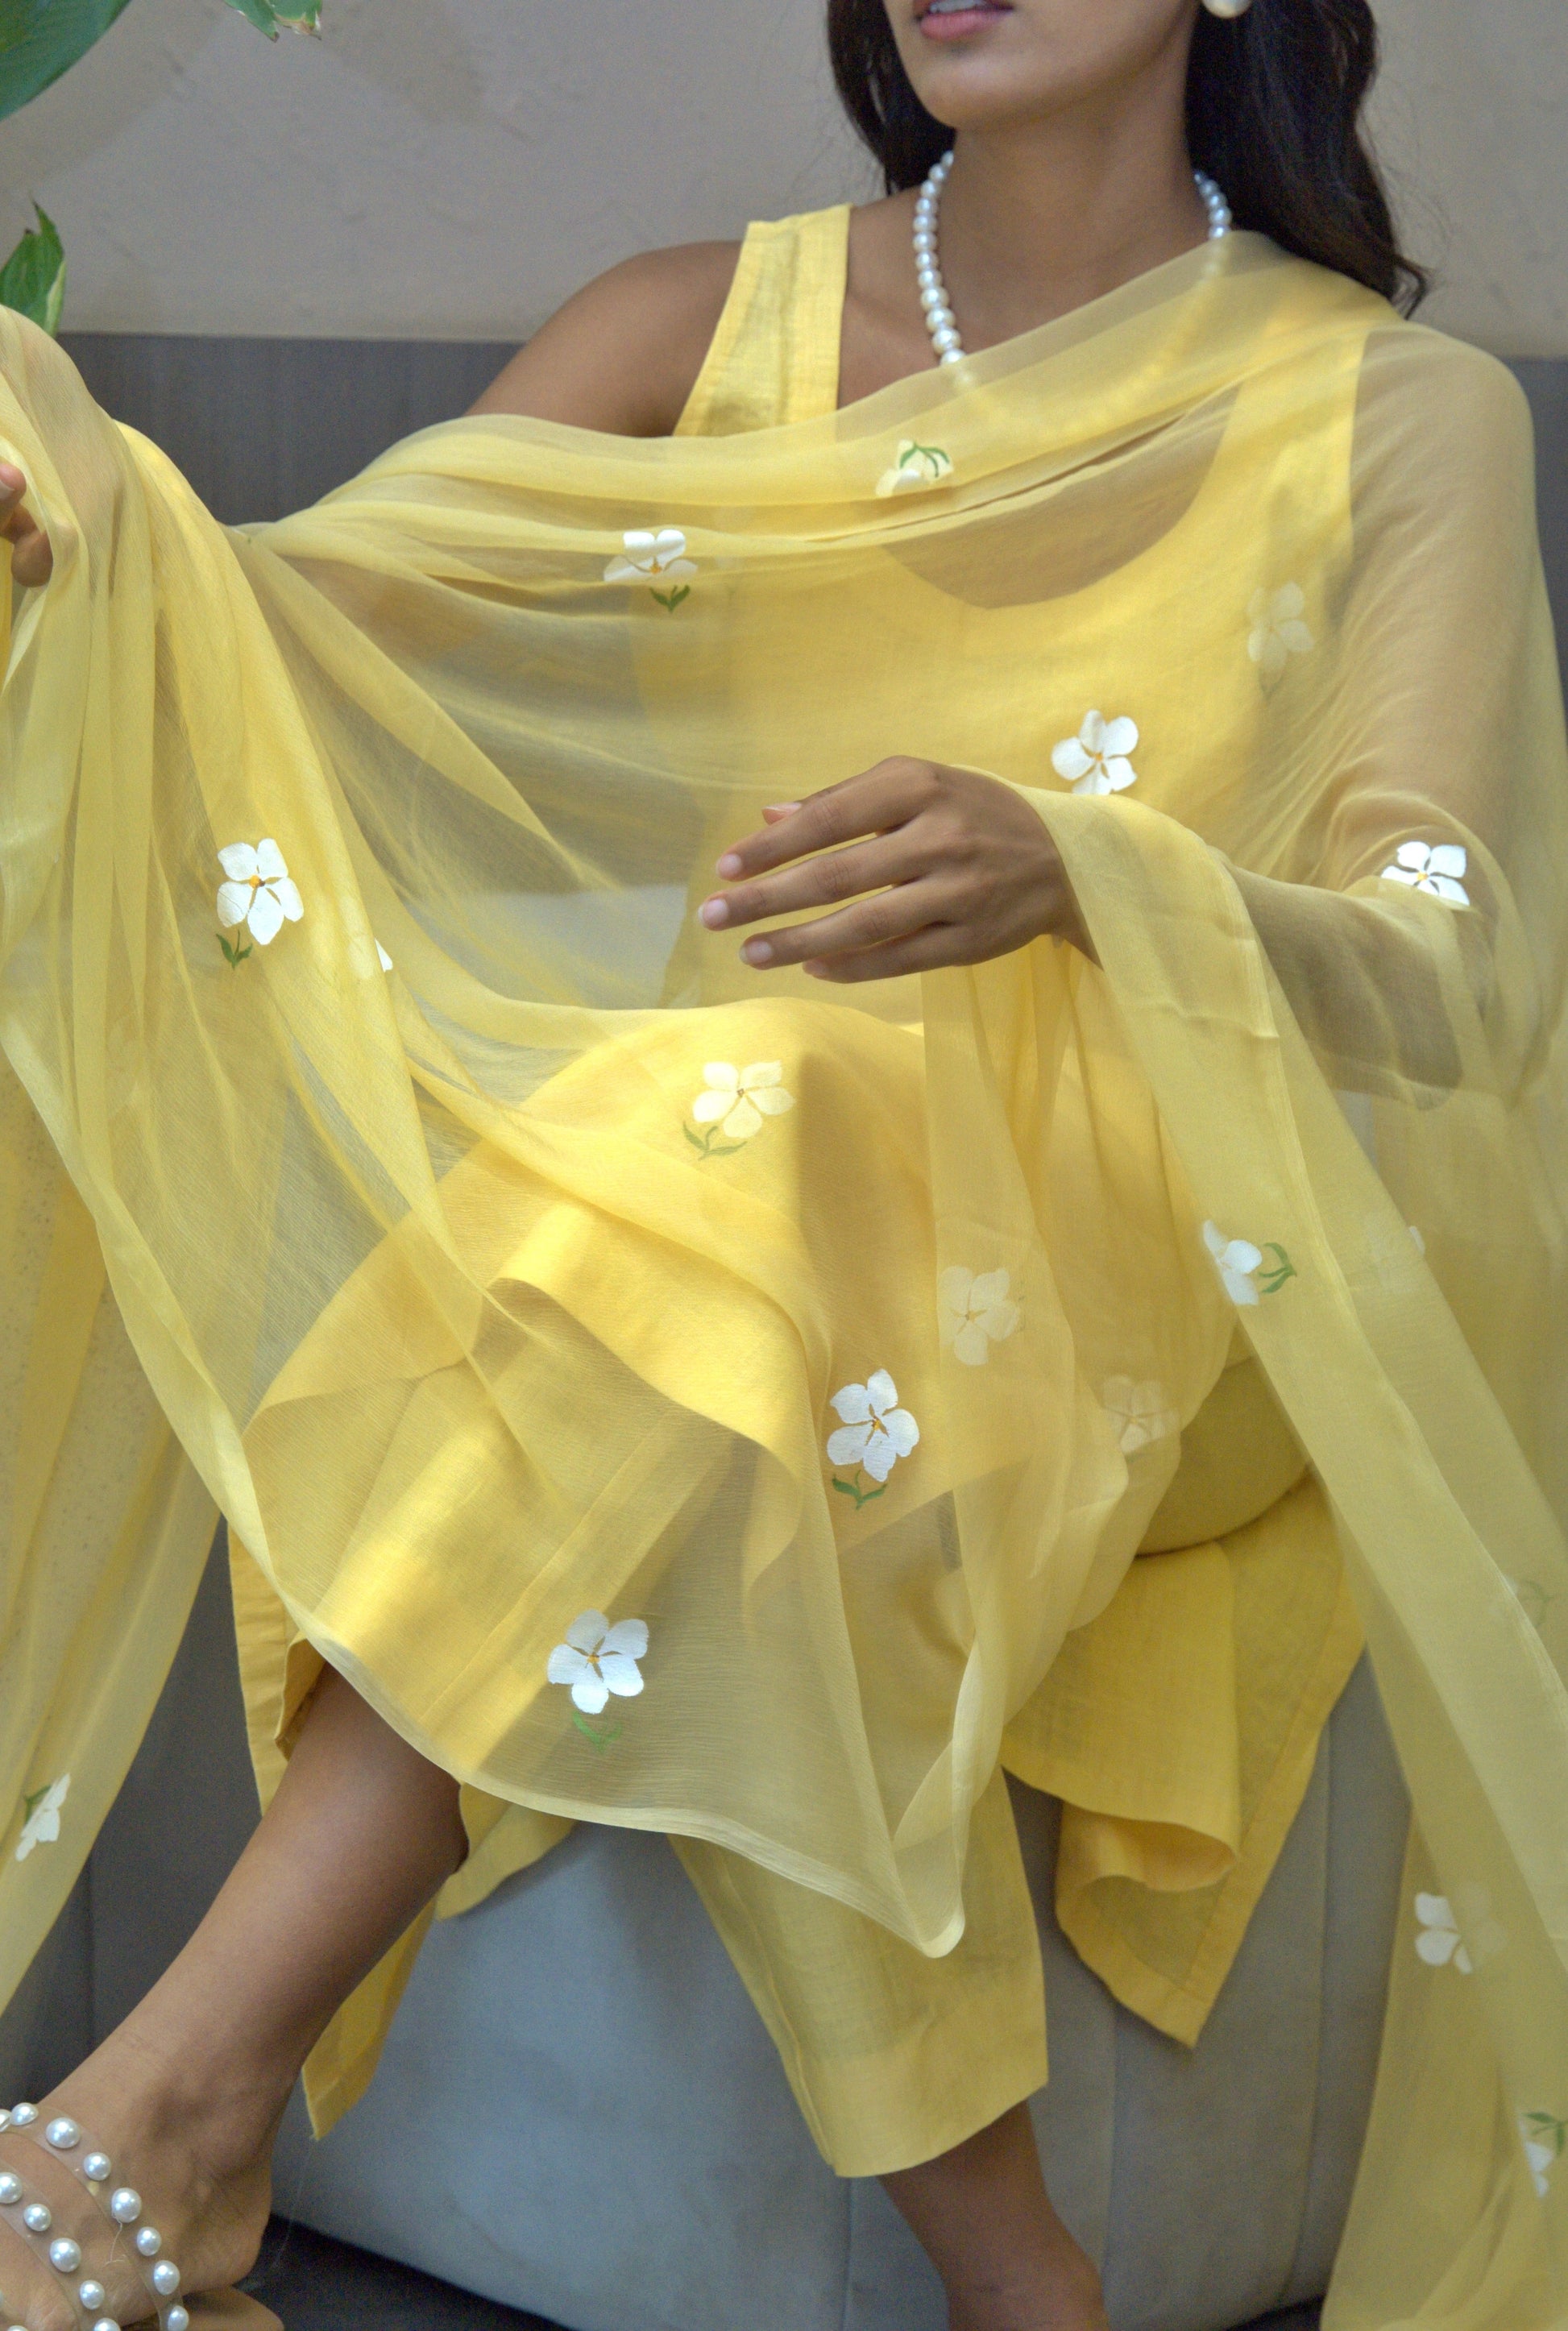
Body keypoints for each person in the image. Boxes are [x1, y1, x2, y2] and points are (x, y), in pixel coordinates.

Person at [2, 3, 1566, 2329]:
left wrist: (1085, 870)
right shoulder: (683, 331)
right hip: (730, 1218)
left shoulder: (1392, 406)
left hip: (1173, 1286)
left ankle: (165, 2116)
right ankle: (1015, 2281)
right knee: (732, 1226)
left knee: (723, 1183)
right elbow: (283, 643)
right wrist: (67, 533)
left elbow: (1451, 973)